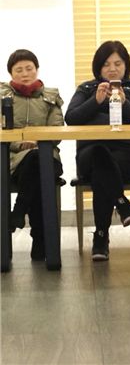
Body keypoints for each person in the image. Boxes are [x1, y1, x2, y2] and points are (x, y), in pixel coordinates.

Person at [65, 40, 130, 261]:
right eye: (106, 64)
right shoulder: (86, 89)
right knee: (99, 154)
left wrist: (124, 103)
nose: (112, 69)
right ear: (98, 67)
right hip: (89, 154)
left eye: (118, 63)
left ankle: (101, 238)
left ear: (126, 66)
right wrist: (95, 101)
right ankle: (121, 203)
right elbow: (71, 118)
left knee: (102, 171)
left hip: (126, 156)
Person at [1, 49, 65, 260]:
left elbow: (56, 130)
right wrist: (20, 144)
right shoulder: (3, 97)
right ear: (11, 73)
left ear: (37, 69)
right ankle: (40, 241)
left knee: (37, 161)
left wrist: (37, 143)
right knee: (36, 173)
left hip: (48, 157)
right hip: (13, 161)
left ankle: (19, 211)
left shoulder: (51, 96)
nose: (25, 73)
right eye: (18, 70)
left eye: (29, 68)